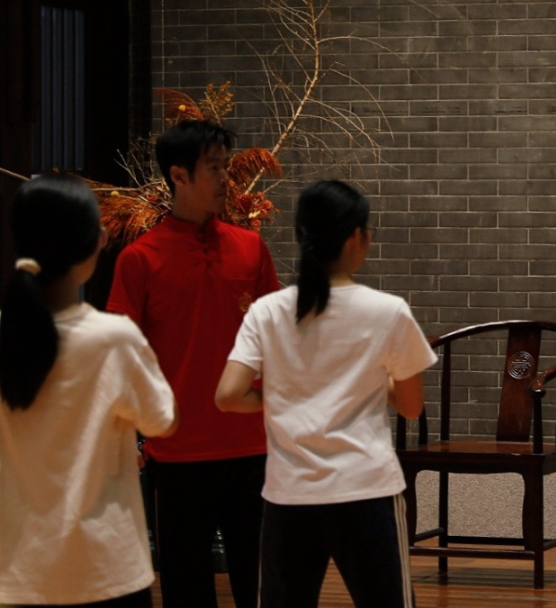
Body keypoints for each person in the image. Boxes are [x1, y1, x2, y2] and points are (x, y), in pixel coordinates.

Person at [216, 180, 437, 608]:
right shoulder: (388, 311)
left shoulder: (267, 311)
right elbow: (412, 407)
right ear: (356, 238)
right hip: (366, 489)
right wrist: (372, 380)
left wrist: (279, 395)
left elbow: (228, 395)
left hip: (289, 493)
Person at [106, 119, 279, 608]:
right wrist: (126, 433)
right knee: (186, 587)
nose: (227, 178)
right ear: (179, 175)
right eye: (214, 168)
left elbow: (279, 339)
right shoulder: (139, 259)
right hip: (177, 451)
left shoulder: (250, 247)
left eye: (226, 166)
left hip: (253, 446)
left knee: (263, 585)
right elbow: (120, 354)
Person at [0, 174, 177, 607]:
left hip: (18, 571)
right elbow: (162, 420)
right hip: (106, 568)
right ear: (92, 243)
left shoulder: (7, 334)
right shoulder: (113, 338)